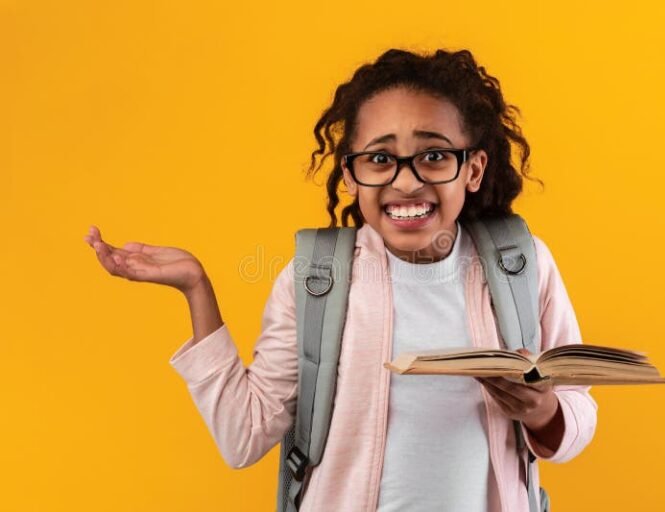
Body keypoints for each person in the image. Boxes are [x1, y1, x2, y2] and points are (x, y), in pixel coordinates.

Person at [84, 48, 597, 512]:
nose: (406, 181)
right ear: (350, 175)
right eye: (380, 159)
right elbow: (244, 436)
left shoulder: (520, 264)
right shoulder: (316, 279)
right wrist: (196, 287)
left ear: (474, 169)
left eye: (434, 155)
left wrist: (544, 411)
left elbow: (578, 411)